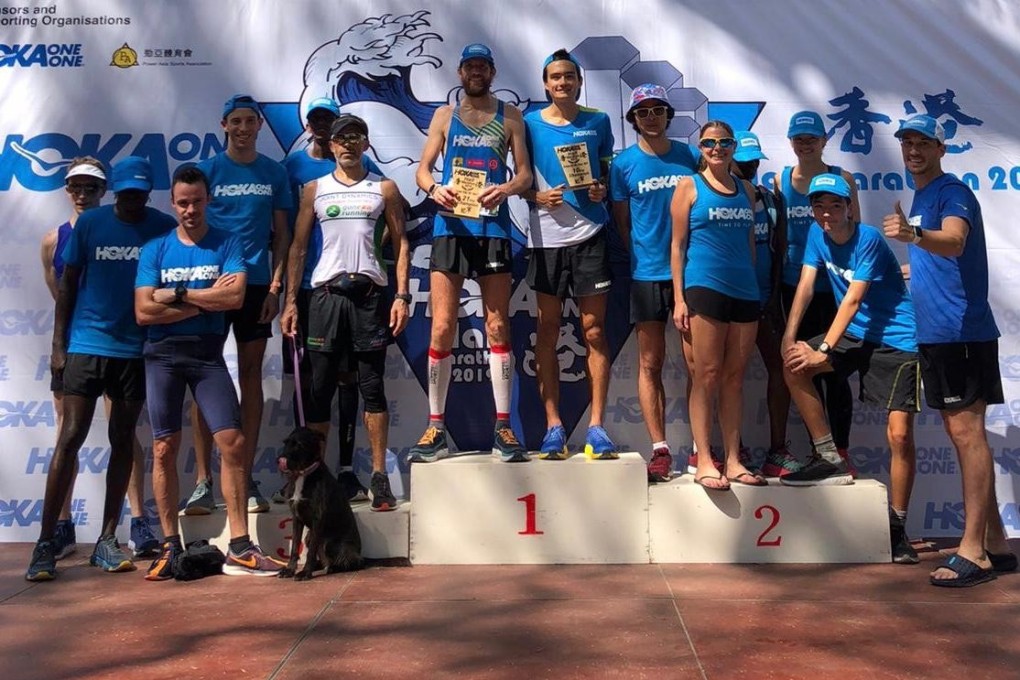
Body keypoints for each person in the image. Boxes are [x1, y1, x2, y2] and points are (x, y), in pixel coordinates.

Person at [25, 157, 177, 582]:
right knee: (70, 437)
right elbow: (68, 284)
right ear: (115, 193)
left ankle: (108, 539)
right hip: (86, 345)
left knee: (123, 440)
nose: (131, 201)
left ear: (147, 193)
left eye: (138, 194)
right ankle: (44, 544)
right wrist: (59, 347)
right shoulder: (90, 225)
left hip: (134, 350)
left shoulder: (162, 226)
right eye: (125, 194)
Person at [883, 114, 1015, 586]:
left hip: (961, 334)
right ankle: (996, 543)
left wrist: (914, 236)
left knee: (968, 435)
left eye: (923, 142)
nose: (913, 149)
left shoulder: (952, 191)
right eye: (907, 142)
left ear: (941, 148)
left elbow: (956, 241)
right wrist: (912, 269)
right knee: (964, 435)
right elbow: (940, 258)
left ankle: (973, 552)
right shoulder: (922, 195)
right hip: (938, 334)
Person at [136, 166, 284, 579]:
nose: (190, 210)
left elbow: (235, 297)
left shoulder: (227, 243)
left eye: (197, 201)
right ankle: (169, 546)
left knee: (232, 442)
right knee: (164, 447)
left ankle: (240, 545)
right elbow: (144, 310)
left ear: (208, 200)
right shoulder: (155, 249)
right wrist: (206, 298)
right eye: (183, 203)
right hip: (162, 356)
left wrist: (179, 294)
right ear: (173, 203)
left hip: (207, 356)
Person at [781, 174, 920, 564]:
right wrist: (789, 337)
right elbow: (806, 286)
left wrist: (822, 348)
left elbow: (854, 300)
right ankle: (829, 457)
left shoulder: (870, 238)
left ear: (849, 208)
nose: (826, 214)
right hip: (853, 334)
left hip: (896, 337)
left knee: (900, 436)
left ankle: (897, 528)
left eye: (835, 206)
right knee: (794, 365)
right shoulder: (815, 232)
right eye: (819, 206)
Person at [408, 43, 532, 463]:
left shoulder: (510, 116)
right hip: (450, 228)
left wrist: (508, 187)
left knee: (498, 327)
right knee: (442, 326)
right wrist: (433, 188)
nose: (476, 72)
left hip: (493, 229)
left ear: (492, 72)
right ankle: (435, 427)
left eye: (483, 66)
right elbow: (423, 169)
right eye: (470, 66)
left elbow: (525, 174)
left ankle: (503, 427)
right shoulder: (445, 116)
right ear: (460, 72)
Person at [281, 113, 410, 511]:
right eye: (342, 138)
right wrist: (289, 301)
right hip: (325, 297)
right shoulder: (314, 189)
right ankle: (316, 478)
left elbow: (402, 243)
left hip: (369, 296)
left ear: (366, 145)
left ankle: (378, 476)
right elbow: (299, 248)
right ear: (332, 146)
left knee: (372, 387)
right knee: (320, 391)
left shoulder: (384, 188)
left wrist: (402, 295)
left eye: (357, 137)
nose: (349, 144)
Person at [187, 94, 292, 515]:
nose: (244, 128)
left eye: (251, 121)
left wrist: (275, 288)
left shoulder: (273, 172)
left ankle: (244, 477)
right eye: (237, 121)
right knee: (203, 373)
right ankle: (202, 481)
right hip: (212, 286)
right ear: (224, 125)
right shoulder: (209, 171)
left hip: (257, 285)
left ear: (259, 127)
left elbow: (281, 235)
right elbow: (191, 226)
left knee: (250, 377)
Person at [523, 48, 617, 460]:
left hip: (590, 233)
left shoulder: (598, 121)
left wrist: (600, 190)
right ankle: (553, 427)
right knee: (547, 330)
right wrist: (534, 195)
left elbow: (604, 173)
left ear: (579, 81)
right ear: (545, 84)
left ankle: (597, 427)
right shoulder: (526, 124)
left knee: (594, 330)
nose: (562, 83)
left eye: (569, 77)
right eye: (555, 78)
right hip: (545, 240)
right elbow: (516, 181)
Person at [609, 83, 699, 481]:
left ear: (668, 115)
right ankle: (659, 449)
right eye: (643, 112)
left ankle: (701, 448)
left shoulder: (691, 156)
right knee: (651, 363)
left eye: (657, 110)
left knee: (698, 364)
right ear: (633, 119)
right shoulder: (623, 164)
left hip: (694, 274)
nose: (650, 117)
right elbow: (622, 223)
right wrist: (645, 253)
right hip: (647, 275)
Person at [670, 120, 763, 491]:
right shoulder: (688, 186)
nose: (717, 149)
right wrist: (679, 298)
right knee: (706, 376)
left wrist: (752, 283)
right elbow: (676, 247)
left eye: (724, 142)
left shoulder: (748, 190)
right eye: (710, 143)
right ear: (701, 147)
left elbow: (751, 245)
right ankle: (705, 459)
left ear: (734, 146)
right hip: (703, 289)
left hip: (744, 291)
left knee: (734, 379)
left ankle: (735, 458)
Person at [779, 111, 858, 475]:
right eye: (799, 137)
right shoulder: (783, 179)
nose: (805, 143)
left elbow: (853, 233)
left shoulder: (843, 179)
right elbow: (781, 238)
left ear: (825, 140)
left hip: (835, 290)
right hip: (794, 287)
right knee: (800, 368)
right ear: (791, 141)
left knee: (833, 373)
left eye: (812, 137)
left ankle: (840, 450)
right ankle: (819, 452)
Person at [731, 132, 801, 478]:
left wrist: (773, 298)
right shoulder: (720, 198)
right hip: (732, 303)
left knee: (781, 369)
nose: (750, 169)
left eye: (754, 162)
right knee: (731, 377)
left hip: (765, 301)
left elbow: (778, 249)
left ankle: (778, 449)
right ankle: (735, 448)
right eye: (743, 164)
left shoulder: (772, 200)